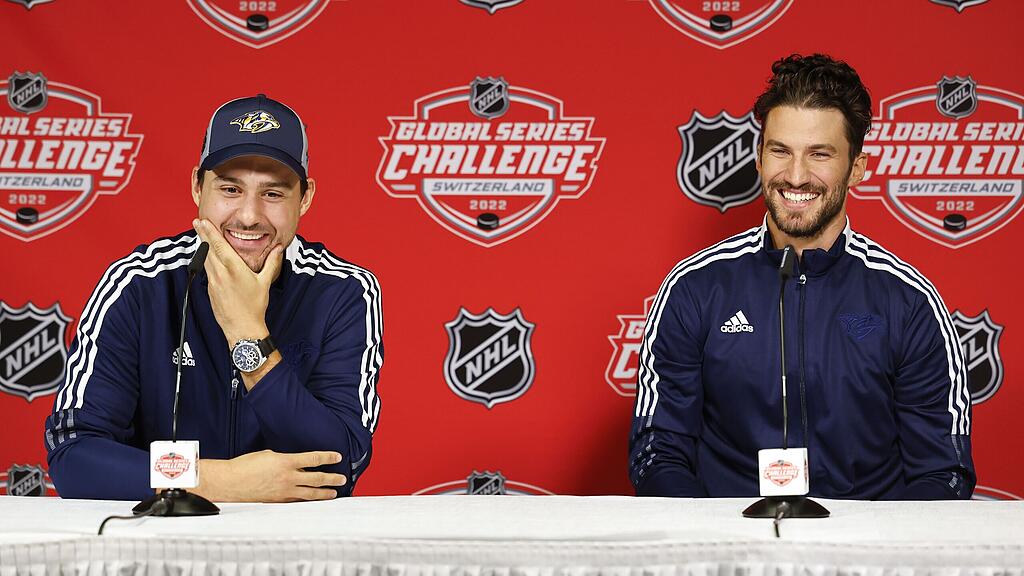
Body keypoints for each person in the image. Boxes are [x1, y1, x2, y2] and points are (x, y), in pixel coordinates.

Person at [630, 54, 974, 500]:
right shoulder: (695, 287)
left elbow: (943, 471)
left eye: (819, 154)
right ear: (758, 158)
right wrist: (718, 535)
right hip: (728, 538)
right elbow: (657, 453)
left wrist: (869, 541)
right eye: (780, 151)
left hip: (865, 542)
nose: (795, 176)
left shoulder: (908, 301)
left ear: (856, 168)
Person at [44, 94, 383, 502]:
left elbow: (338, 466)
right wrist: (216, 481)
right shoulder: (139, 283)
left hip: (292, 538)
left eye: (273, 194)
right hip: (162, 534)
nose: (249, 216)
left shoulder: (344, 290)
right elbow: (75, 457)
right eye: (230, 189)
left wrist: (248, 334)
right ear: (197, 187)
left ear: (305, 197)